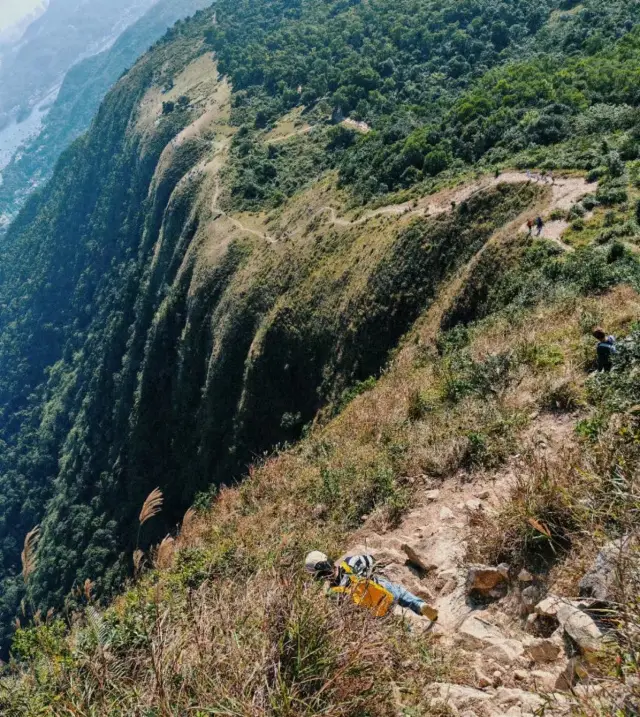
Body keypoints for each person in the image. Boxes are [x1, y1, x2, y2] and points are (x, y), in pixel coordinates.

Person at [305, 551, 438, 620]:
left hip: (374, 609)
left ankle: (411, 637)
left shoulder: (333, 592)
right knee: (401, 593)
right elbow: (370, 560)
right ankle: (420, 606)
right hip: (384, 590)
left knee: (393, 622)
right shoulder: (350, 562)